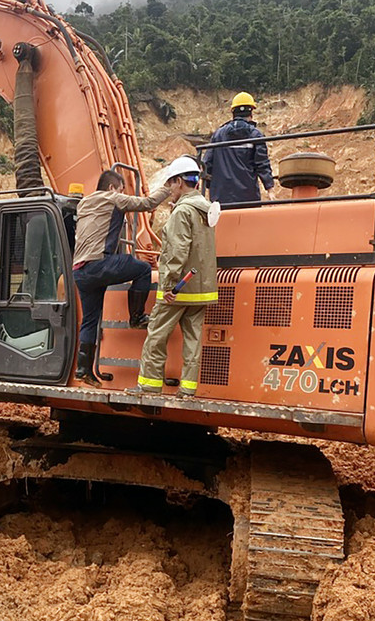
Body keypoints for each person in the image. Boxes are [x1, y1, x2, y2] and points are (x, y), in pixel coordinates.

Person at [70, 166, 179, 385]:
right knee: (142, 268)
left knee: (90, 321)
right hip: (99, 264)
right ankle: (137, 316)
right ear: (112, 188)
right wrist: (168, 189)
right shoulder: (112, 198)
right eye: (121, 189)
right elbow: (146, 205)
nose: (122, 192)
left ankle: (84, 370)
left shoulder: (84, 203)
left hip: (80, 271)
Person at [130, 161, 218, 396]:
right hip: (202, 289)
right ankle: (188, 390)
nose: (169, 188)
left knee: (157, 336)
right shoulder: (205, 210)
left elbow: (178, 251)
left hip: (179, 288)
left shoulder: (183, 212)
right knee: (193, 340)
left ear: (179, 181)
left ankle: (149, 385)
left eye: (171, 183)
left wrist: (169, 285)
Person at [203, 91, 275, 205]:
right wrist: (269, 188)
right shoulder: (255, 135)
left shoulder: (218, 135)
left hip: (221, 199)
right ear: (251, 113)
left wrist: (208, 186)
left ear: (233, 113)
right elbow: (262, 164)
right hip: (248, 198)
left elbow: (206, 164)